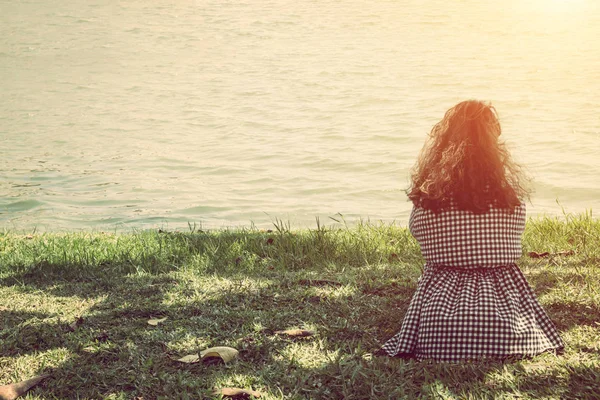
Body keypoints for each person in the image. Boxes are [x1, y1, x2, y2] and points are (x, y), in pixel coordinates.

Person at [379, 100, 564, 362]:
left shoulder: (430, 199)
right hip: (505, 330)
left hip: (439, 332)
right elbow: (513, 242)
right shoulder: (508, 199)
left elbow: (417, 233)